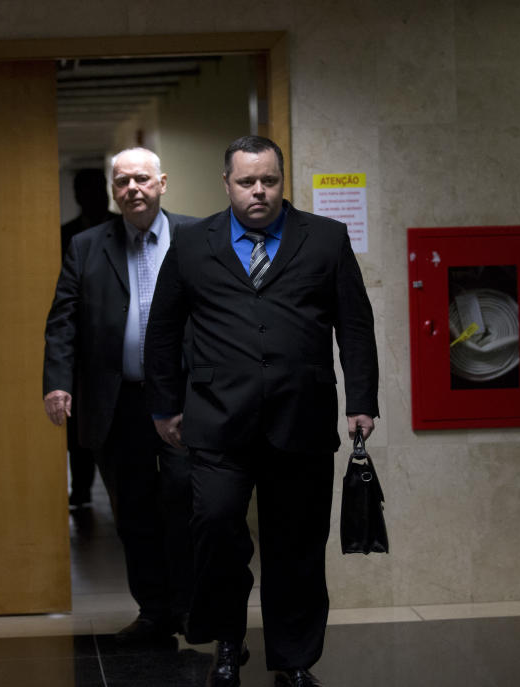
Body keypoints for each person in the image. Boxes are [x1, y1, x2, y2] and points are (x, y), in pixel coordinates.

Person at [145, 135, 379, 687]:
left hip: (301, 418)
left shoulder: (325, 239)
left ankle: (293, 658)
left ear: (282, 181)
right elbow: (163, 330)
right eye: (247, 181)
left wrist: (362, 401)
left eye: (269, 181)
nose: (259, 191)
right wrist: (163, 406)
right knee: (216, 524)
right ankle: (228, 640)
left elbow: (355, 325)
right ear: (226, 183)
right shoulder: (192, 243)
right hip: (216, 418)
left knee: (296, 542)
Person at [43, 148, 195, 641]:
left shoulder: (199, 237)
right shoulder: (87, 246)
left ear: (162, 182)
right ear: (113, 189)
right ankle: (155, 613)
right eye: (123, 181)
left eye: (142, 179)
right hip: (119, 402)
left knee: (186, 504)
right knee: (133, 513)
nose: (133, 188)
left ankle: (191, 608)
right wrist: (59, 381)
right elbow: (63, 321)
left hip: (185, 401)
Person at [59, 168, 118, 510]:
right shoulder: (64, 235)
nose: (90, 196)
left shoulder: (124, 229)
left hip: (117, 344)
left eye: (96, 189)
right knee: (78, 429)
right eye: (83, 189)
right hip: (83, 349)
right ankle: (80, 492)